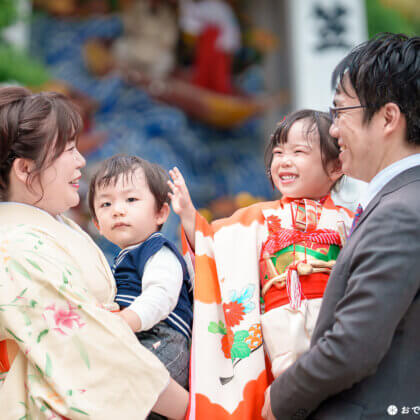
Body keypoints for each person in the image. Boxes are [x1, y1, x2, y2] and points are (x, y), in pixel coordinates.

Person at [0, 86, 188, 420]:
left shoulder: (51, 226)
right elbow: (93, 352)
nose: (81, 160)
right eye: (69, 149)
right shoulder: (17, 247)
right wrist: (194, 410)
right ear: (26, 169)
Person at [262, 33, 420, 420]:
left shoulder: (401, 212)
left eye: (340, 113)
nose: (333, 131)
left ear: (387, 118)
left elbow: (352, 348)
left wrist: (278, 400)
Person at [168, 109, 353, 419]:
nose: (284, 160)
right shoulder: (254, 218)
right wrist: (189, 216)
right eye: (278, 152)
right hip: (277, 331)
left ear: (335, 167)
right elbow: (211, 249)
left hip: (334, 323)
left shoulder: (351, 219)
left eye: (298, 151)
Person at [88, 154, 193, 392]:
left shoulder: (158, 252)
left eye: (131, 199)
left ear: (160, 213)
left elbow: (161, 295)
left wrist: (127, 319)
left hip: (163, 340)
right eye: (106, 204)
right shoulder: (115, 262)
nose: (118, 210)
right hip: (137, 340)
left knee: (128, 389)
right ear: (97, 225)